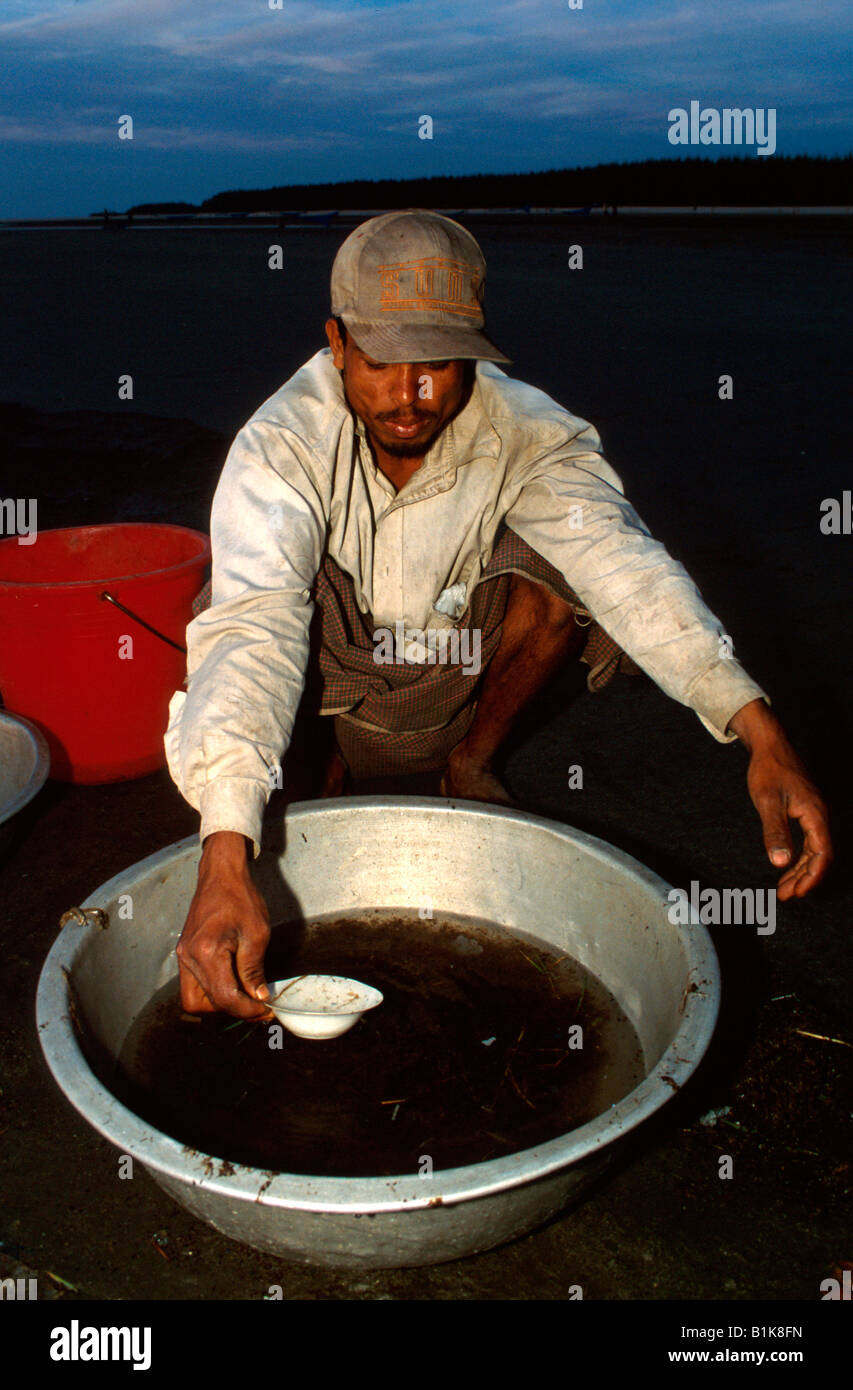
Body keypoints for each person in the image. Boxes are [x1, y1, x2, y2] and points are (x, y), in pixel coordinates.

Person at [165, 209, 832, 1019]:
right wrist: (225, 856)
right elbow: (256, 629)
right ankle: (318, 780)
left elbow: (628, 570)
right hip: (328, 680)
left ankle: (471, 763)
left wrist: (759, 731)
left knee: (571, 568)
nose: (407, 397)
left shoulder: (528, 429)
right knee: (227, 610)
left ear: (473, 354)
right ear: (336, 343)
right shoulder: (280, 444)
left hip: (457, 669)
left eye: (437, 366)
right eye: (378, 363)